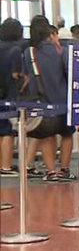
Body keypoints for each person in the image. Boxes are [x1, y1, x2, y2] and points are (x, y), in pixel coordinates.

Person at [22, 16, 75, 182]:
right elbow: (69, 73)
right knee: (67, 135)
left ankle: (51, 172)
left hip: (42, 101)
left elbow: (26, 77)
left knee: (47, 135)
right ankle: (64, 170)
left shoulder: (29, 52)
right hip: (63, 99)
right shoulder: (60, 50)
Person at [0, 18, 25, 176]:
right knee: (7, 132)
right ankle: (6, 166)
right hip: (8, 94)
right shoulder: (15, 50)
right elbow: (16, 74)